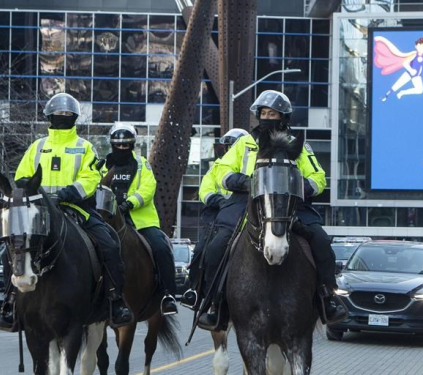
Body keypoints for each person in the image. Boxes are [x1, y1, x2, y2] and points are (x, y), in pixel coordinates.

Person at [198, 90, 347, 328]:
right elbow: (221, 171)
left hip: (289, 203)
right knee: (217, 244)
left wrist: (299, 187)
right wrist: (243, 182)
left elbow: (318, 177)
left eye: (273, 113)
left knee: (320, 240)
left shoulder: (297, 145)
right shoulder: (244, 143)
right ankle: (213, 302)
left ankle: (328, 297)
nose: (267, 117)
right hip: (246, 201)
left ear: (283, 117)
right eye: (264, 113)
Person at [0, 93, 133, 331]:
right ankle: (10, 304)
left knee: (110, 243)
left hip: (76, 209)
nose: (63, 117)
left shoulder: (84, 147)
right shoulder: (37, 147)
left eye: (67, 115)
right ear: (49, 117)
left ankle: (115, 301)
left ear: (75, 118)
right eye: (58, 115)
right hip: (39, 214)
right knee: (12, 248)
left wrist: (69, 193)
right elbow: (21, 179)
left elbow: (92, 178)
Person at [103, 122, 178, 316]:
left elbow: (148, 187)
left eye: (126, 145)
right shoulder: (101, 165)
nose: (122, 148)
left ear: (132, 145)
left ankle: (167, 295)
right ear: (112, 144)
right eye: (118, 145)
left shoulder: (142, 163)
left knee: (161, 247)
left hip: (140, 221)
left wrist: (129, 203)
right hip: (107, 220)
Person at [181, 128, 248, 309]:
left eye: (232, 146)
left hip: (246, 215)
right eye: (227, 147)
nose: (229, 150)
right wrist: (219, 201)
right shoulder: (217, 167)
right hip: (219, 217)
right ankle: (195, 290)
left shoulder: (251, 163)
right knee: (203, 250)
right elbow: (205, 191)